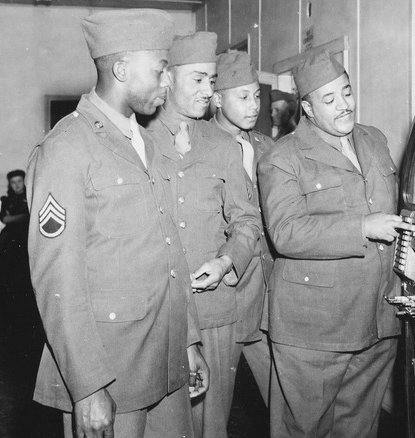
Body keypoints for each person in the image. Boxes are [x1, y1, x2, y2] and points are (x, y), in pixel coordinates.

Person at [26, 9, 208, 438]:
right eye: (161, 70)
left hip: (164, 361)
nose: (168, 82)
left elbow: (170, 249)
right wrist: (87, 386)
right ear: (122, 69)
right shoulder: (67, 148)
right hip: (111, 371)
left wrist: (189, 340)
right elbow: (58, 280)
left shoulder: (143, 141)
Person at [258, 50, 414, 438]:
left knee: (359, 428)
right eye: (329, 100)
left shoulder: (373, 139)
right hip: (315, 329)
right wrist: (361, 226)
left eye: (346, 92)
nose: (344, 106)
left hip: (377, 316)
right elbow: (286, 232)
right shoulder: (283, 158)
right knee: (303, 430)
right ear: (308, 109)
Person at [144, 33, 262, 438]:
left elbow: (247, 221)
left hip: (214, 314)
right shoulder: (137, 141)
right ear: (166, 80)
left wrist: (227, 261)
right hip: (157, 314)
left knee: (212, 428)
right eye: (197, 80)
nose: (208, 91)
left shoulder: (222, 146)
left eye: (212, 81)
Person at [211, 51, 275, 406]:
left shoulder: (268, 148)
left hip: (268, 297)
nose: (254, 105)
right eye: (243, 96)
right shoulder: (199, 145)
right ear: (218, 99)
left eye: (257, 95)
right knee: (213, 408)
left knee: (286, 407)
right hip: (227, 295)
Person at [0, 169, 30, 289]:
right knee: (8, 238)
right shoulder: (7, 199)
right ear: (9, 184)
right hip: (11, 233)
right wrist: (22, 216)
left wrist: (13, 217)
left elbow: (30, 217)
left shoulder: (31, 196)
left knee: (10, 238)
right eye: (13, 182)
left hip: (27, 231)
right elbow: (4, 219)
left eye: (19, 181)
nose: (17, 185)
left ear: (24, 181)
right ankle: (6, 280)